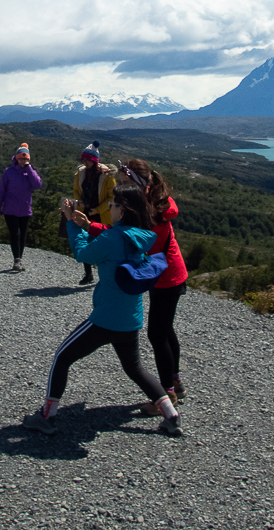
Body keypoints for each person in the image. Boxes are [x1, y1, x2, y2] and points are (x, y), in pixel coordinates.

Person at [23, 184, 182, 437]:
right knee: (136, 369)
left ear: (123, 209)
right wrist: (86, 224)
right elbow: (111, 243)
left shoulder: (113, 238)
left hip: (106, 318)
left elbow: (83, 254)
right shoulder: (142, 235)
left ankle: (47, 417)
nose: (110, 209)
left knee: (62, 358)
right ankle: (171, 416)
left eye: (113, 205)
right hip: (130, 318)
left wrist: (72, 224)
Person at [119, 159, 189, 409]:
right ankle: (176, 382)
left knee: (157, 334)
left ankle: (167, 395)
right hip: (170, 274)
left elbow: (132, 240)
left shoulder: (150, 212)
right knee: (166, 330)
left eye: (124, 183)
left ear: (138, 185)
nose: (120, 188)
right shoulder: (151, 202)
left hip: (166, 277)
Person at [72, 140, 116, 285]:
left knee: (101, 244)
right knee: (87, 243)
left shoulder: (107, 176)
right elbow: (76, 191)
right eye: (83, 160)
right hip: (85, 212)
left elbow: (112, 197)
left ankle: (104, 274)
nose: (85, 163)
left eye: (88, 160)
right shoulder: (80, 173)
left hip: (101, 215)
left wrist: (99, 209)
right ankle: (88, 274)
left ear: (94, 160)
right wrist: (79, 202)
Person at [0, 143, 42, 272]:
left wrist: (29, 169)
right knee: (16, 234)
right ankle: (17, 259)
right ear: (16, 158)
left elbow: (37, 185)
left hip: (25, 210)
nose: (23, 161)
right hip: (10, 209)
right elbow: (0, 191)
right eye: (21, 158)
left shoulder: (30, 172)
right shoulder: (8, 172)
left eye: (25, 159)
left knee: (23, 235)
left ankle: (19, 258)